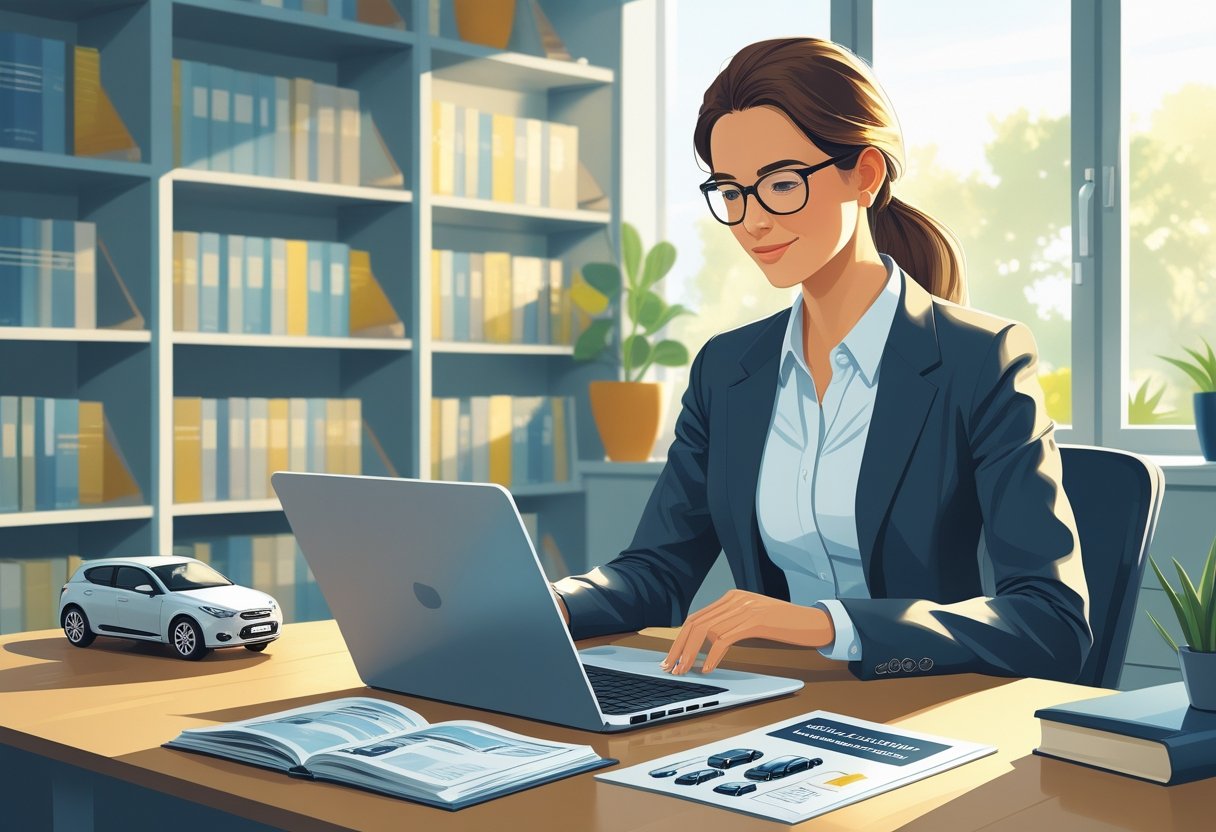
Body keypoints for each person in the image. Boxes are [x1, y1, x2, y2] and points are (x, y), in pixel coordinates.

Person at [550, 37, 1092, 683]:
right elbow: (656, 572)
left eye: (780, 184)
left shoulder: (980, 358)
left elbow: (1051, 621)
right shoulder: (729, 369)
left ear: (863, 176)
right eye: (732, 191)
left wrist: (828, 625)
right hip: (770, 697)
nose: (751, 220)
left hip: (927, 704)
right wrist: (544, 602)